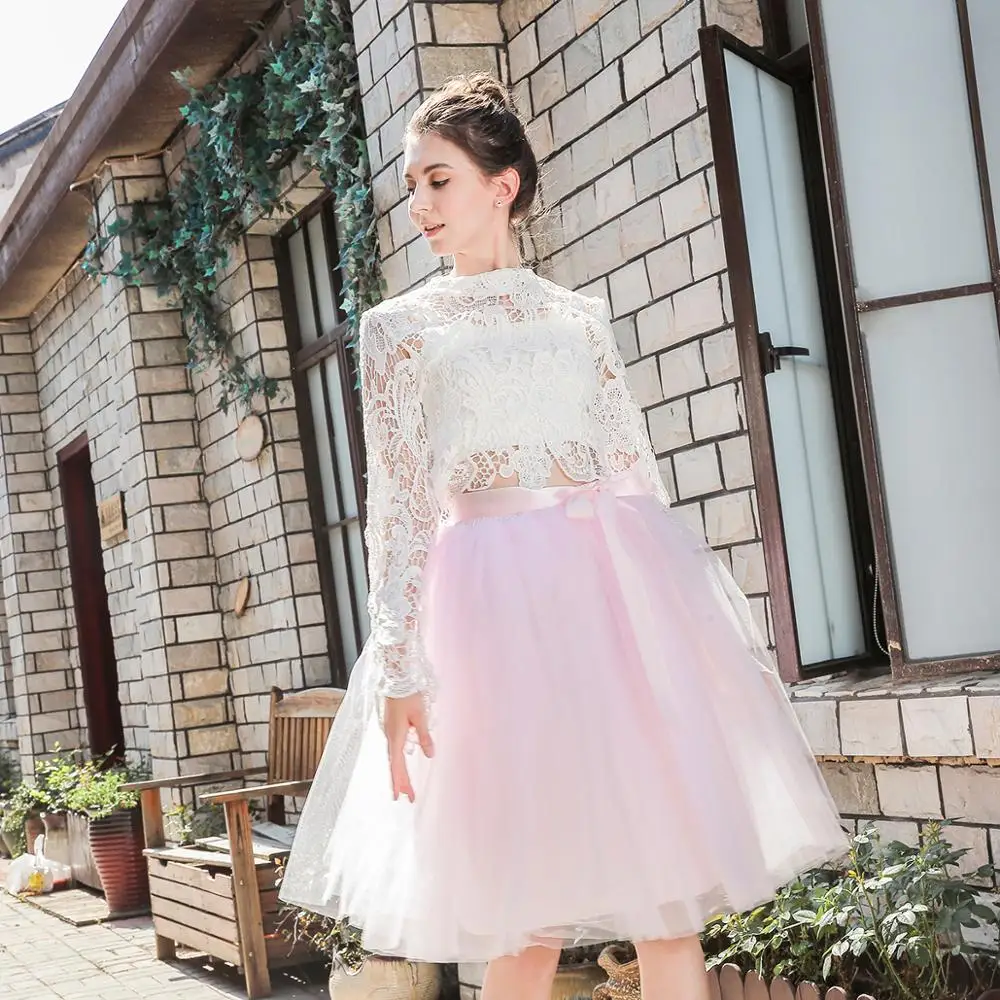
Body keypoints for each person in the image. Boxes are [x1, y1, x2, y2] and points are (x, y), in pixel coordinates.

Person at [278, 73, 847, 1000]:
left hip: (606, 602)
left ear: (501, 186)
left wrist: (678, 633)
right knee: (526, 920)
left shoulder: (579, 317)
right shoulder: (398, 330)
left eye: (438, 180)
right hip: (490, 618)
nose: (418, 204)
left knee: (668, 903)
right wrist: (398, 664)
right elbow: (400, 506)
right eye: (413, 185)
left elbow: (633, 472)